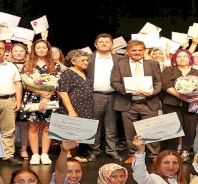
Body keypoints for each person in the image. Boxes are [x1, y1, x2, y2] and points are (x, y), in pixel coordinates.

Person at [110, 40, 163, 158]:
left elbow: (158, 82)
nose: (137, 52)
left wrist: (153, 91)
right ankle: (134, 155)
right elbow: (114, 82)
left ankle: (154, 155)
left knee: (151, 130)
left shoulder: (153, 64)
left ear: (144, 51)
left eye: (140, 50)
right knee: (130, 132)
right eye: (134, 50)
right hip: (128, 102)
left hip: (148, 102)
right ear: (128, 51)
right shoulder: (120, 64)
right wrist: (127, 90)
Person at [17, 39, 61, 165]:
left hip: (50, 98)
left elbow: (58, 83)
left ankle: (45, 154)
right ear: (34, 50)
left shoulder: (55, 65)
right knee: (33, 126)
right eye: (38, 47)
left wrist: (46, 97)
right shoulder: (28, 65)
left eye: (44, 47)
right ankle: (35, 154)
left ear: (48, 49)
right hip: (32, 98)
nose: (41, 50)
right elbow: (25, 84)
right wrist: (40, 92)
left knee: (47, 127)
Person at [85, 34, 125, 162]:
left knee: (112, 125)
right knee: (94, 125)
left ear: (112, 45)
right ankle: (93, 151)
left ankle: (112, 151)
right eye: (101, 42)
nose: (103, 43)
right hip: (94, 95)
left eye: (107, 41)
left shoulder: (120, 59)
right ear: (95, 44)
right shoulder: (87, 58)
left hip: (114, 95)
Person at [161, 48, 198, 158]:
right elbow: (166, 86)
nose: (182, 58)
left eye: (185, 56)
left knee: (190, 129)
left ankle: (185, 151)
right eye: (179, 57)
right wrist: (182, 97)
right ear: (175, 59)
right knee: (173, 129)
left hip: (191, 105)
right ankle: (172, 152)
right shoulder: (169, 70)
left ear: (190, 58)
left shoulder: (197, 72)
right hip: (172, 104)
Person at [58, 49, 94, 162]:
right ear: (73, 61)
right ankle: (68, 155)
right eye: (82, 60)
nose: (86, 62)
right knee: (69, 132)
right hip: (72, 107)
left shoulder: (85, 72)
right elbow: (63, 92)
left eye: (87, 60)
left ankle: (76, 154)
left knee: (79, 134)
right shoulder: (67, 73)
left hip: (85, 107)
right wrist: (70, 110)